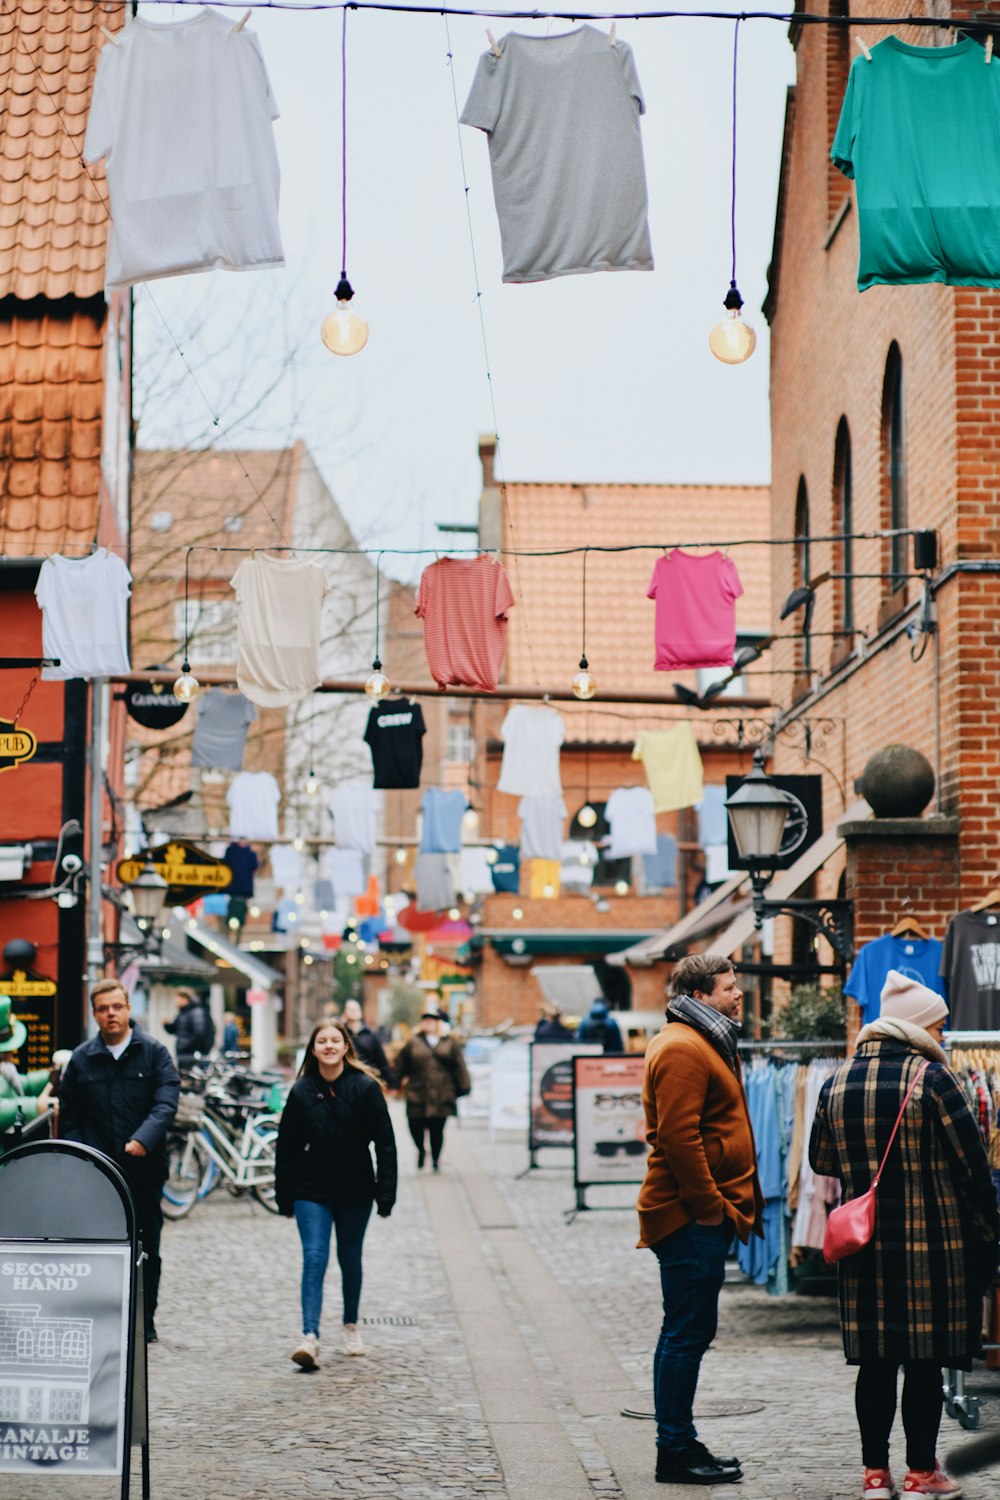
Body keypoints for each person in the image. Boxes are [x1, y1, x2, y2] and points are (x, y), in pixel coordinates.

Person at [809, 970, 999, 1500]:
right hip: (930, 1244)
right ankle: (920, 1474)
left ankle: (875, 1477)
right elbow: (973, 1169)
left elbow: (820, 1160)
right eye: (937, 1025)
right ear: (916, 1026)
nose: (942, 1033)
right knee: (922, 1360)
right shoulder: (935, 1081)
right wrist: (989, 1236)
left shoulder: (836, 1081)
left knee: (873, 1362)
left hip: (863, 1246)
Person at [637, 954, 763, 1487]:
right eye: (730, 987)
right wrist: (711, 1208)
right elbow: (679, 1137)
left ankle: (680, 1442)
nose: (740, 994)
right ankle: (675, 1449)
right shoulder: (684, 1047)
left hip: (696, 1214)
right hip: (689, 1216)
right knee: (685, 1334)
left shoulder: (700, 1040)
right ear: (701, 994)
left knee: (687, 1331)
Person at [58, 978, 180, 1342]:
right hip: (99, 1175)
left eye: (117, 1007)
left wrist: (144, 1138)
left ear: (128, 1009)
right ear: (94, 1014)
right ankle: (108, 1317)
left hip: (144, 1170)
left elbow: (166, 1101)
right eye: (103, 1009)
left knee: (147, 1247)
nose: (111, 1014)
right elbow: (70, 1115)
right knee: (103, 1248)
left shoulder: (155, 1053)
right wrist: (86, 1155)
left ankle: (146, 1320)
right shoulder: (82, 1060)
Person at [275, 1020, 397, 1369]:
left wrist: (386, 1194)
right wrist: (284, 1196)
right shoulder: (300, 1091)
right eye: (322, 1041)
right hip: (311, 1189)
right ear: (313, 1049)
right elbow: (287, 1148)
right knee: (314, 1257)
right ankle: (309, 1336)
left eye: (335, 1040)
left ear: (346, 1047)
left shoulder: (365, 1088)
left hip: (356, 1189)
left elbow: (385, 1144)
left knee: (349, 1258)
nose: (329, 1046)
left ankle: (351, 1326)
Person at [394, 1009, 470, 1172]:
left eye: (432, 1019)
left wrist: (464, 1086)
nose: (428, 1022)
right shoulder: (413, 1042)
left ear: (438, 1022)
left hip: (442, 1094)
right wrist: (394, 1083)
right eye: (425, 1019)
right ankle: (421, 1150)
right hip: (417, 1093)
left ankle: (436, 1158)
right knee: (415, 1126)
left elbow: (459, 1067)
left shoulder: (449, 1042)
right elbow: (400, 1064)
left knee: (437, 1129)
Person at [0, 995, 53, 1133]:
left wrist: (50, 1075)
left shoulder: (4, 1069)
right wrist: (35, 1106)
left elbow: (19, 1085)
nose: (11, 1052)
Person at [342, 997, 394, 1086]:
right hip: (346, 1080)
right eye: (350, 1009)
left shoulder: (371, 1035)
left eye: (356, 1009)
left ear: (361, 1012)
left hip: (367, 1079)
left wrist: (391, 1083)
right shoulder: (341, 1034)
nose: (354, 1011)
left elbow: (381, 1060)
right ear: (345, 1013)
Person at [163, 987, 216, 1068]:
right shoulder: (182, 1013)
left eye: (177, 1000)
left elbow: (201, 1033)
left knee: (192, 1078)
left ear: (185, 999)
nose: (175, 1003)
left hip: (192, 1055)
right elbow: (176, 1030)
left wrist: (192, 1049)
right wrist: (167, 1025)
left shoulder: (196, 1012)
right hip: (185, 1054)